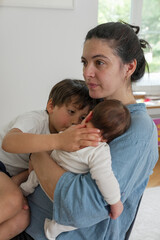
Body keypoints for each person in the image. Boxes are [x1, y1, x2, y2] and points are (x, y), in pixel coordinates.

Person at [13, 21, 159, 240]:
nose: (86, 72)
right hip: (24, 219)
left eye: (99, 63)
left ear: (128, 67)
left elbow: (81, 207)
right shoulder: (91, 107)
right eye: (84, 62)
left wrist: (40, 151)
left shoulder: (138, 130)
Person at [0, 79, 101, 240]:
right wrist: (58, 141)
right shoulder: (36, 120)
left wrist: (18, 179)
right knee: (12, 200)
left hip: (9, 174)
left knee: (23, 218)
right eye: (71, 112)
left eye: (82, 117)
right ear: (51, 106)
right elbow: (9, 142)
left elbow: (34, 166)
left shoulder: (66, 141)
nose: (76, 121)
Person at [20, 99, 131, 239]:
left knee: (33, 177)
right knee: (84, 217)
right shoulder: (100, 151)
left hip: (42, 177)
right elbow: (105, 178)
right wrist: (115, 203)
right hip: (59, 194)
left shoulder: (71, 131)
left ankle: (24, 189)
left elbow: (52, 144)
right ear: (109, 138)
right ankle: (54, 227)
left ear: (89, 116)